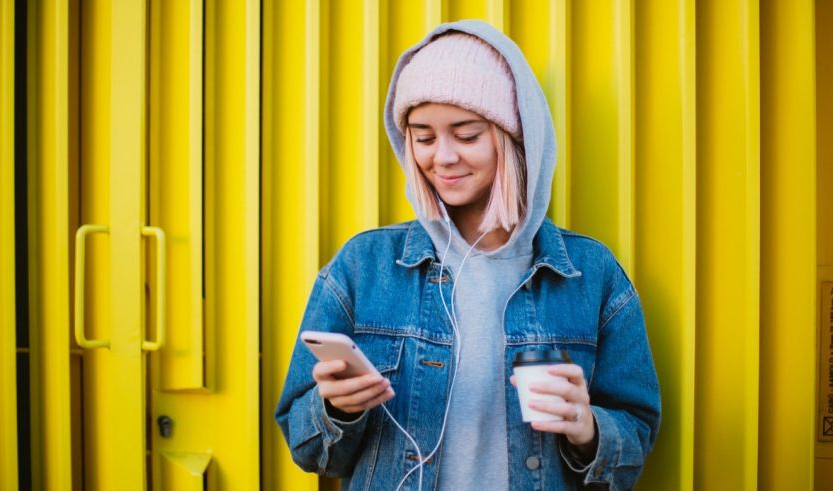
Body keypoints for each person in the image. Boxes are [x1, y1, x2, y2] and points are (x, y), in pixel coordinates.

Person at [275, 19, 660, 490]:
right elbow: (308, 448)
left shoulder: (591, 276)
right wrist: (335, 409)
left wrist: (588, 429)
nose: (443, 157)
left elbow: (635, 439)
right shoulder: (364, 266)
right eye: (424, 136)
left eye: (467, 134)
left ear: (513, 136)